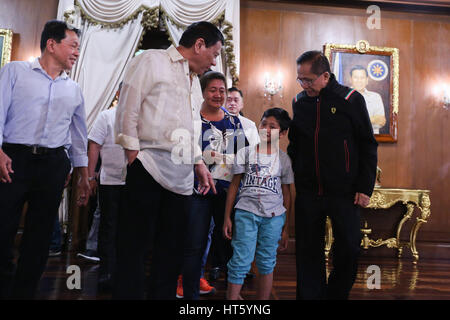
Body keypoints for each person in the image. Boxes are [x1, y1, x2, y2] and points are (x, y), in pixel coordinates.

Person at [113, 21, 223, 300]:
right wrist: (132, 153)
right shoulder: (152, 60)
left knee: (171, 248)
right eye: (214, 52)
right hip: (147, 164)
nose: (214, 60)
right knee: (134, 246)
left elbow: (192, 127)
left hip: (182, 175)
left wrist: (198, 164)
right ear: (199, 44)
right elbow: (128, 104)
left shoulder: (194, 81)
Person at [0, 20, 89, 299]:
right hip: (13, 158)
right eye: (72, 45)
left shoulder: (73, 89)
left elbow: (79, 135)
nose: (77, 52)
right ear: (51, 44)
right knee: (2, 229)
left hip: (53, 164)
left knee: (39, 237)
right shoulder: (15, 71)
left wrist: (82, 173)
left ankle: (24, 292)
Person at [288, 51, 378, 300]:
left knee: (349, 248)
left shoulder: (351, 99)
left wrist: (364, 186)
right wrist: (298, 169)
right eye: (300, 80)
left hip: (345, 192)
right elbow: (295, 144)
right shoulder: (299, 102)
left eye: (308, 80)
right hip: (309, 191)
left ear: (325, 76)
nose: (304, 86)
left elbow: (367, 144)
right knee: (307, 251)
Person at [180, 71, 248, 300]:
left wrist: (219, 157)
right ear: (202, 91)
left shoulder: (233, 120)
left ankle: (233, 294)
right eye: (213, 90)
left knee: (230, 244)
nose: (218, 95)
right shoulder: (191, 120)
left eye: (222, 90)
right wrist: (202, 157)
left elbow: (243, 157)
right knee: (193, 244)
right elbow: (179, 153)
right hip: (196, 191)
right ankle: (190, 295)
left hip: (227, 193)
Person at [223, 107, 294, 300]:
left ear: (283, 133)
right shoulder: (245, 153)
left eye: (273, 126)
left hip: (273, 217)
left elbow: (287, 193)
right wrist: (227, 218)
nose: (266, 129)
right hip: (246, 212)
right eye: (264, 124)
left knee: (266, 261)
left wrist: (286, 226)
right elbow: (234, 186)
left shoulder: (284, 159)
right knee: (240, 260)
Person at [87, 83, 126, 291]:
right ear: (118, 93)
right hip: (110, 179)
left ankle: (125, 271)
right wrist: (90, 176)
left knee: (130, 227)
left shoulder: (141, 117)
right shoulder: (106, 116)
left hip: (136, 182)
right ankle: (107, 271)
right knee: (108, 225)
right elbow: (94, 144)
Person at [349, 65, 386, 134]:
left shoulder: (376, 97)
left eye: (362, 78)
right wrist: (372, 119)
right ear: (351, 79)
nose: (359, 81)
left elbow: (381, 121)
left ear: (367, 80)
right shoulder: (342, 96)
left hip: (371, 140)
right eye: (356, 77)